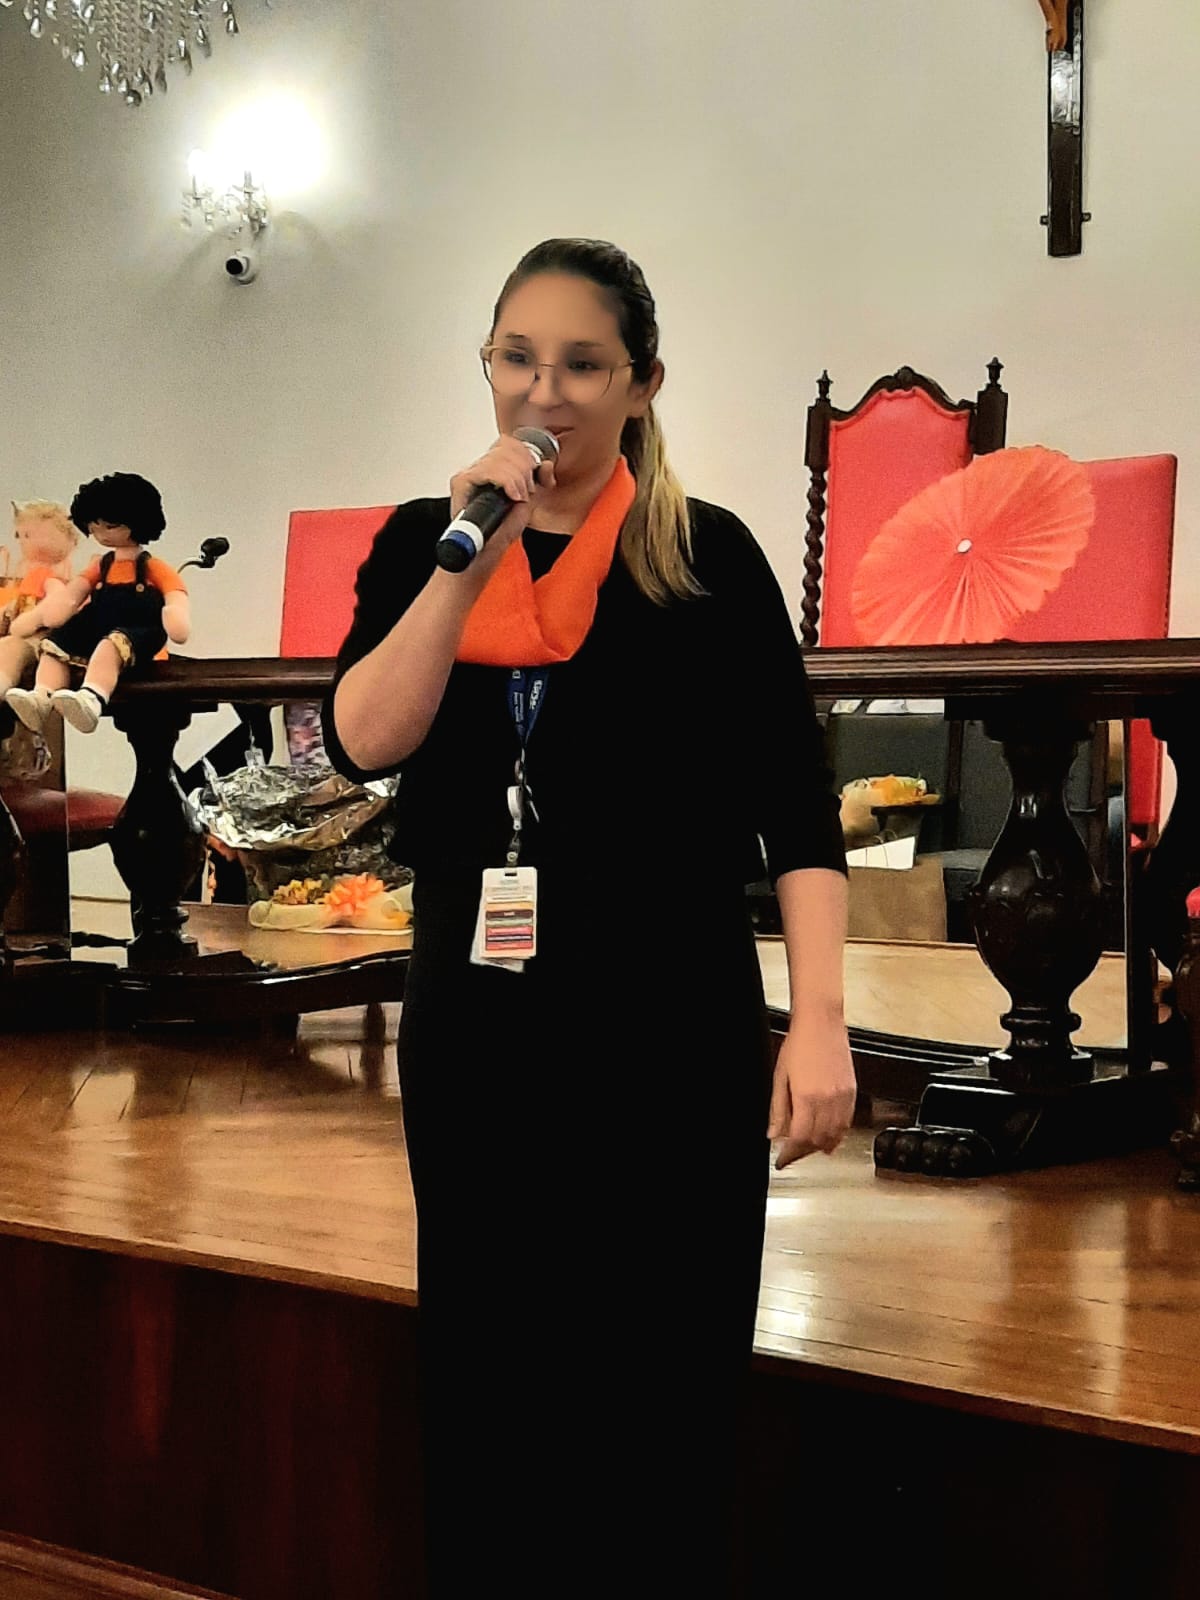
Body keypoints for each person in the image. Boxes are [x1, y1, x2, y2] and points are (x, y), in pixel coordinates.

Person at [324, 238, 853, 1597]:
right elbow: (366, 739)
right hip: (481, 1029)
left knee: (660, 1387)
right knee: (490, 1379)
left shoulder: (706, 557)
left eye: (581, 364)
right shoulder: (426, 542)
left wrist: (822, 1026)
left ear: (642, 383)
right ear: (487, 365)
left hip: (666, 1023)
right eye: (517, 357)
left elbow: (798, 812)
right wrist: (466, 561)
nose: (543, 392)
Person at [6, 472, 190, 736]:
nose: (101, 535)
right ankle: (42, 695)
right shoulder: (102, 566)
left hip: (138, 628)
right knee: (55, 645)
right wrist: (48, 613)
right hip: (98, 622)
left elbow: (174, 591)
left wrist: (175, 614)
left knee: (109, 647)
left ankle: (93, 696)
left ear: (138, 522)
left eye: (110, 526)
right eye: (94, 528)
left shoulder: (150, 566)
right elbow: (73, 593)